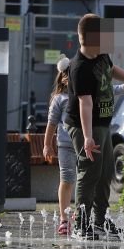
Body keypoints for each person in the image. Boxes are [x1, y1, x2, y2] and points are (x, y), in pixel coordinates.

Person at [66, 14, 124, 239]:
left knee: (105, 173)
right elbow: (85, 104)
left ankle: (99, 220)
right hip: (85, 125)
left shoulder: (102, 56)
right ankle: (81, 223)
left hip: (103, 124)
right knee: (89, 172)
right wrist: (87, 138)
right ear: (91, 38)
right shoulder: (79, 68)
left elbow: (113, 70)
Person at [42, 58, 77, 236]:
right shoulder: (60, 99)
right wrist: (47, 145)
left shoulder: (83, 95)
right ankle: (64, 217)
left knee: (84, 180)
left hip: (83, 144)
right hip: (65, 145)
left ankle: (79, 214)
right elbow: (51, 123)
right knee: (67, 179)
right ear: (64, 79)